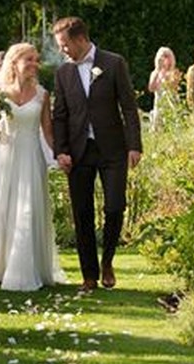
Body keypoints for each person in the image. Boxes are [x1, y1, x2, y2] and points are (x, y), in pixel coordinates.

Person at [0, 43, 68, 291]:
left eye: (36, 60)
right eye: (29, 59)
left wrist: (60, 155)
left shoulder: (42, 94)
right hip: (4, 157)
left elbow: (48, 132)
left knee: (27, 208)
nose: (34, 64)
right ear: (14, 61)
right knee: (1, 208)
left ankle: (27, 268)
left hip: (30, 156)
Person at [51, 16, 142, 292]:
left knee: (115, 206)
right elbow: (60, 116)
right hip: (79, 152)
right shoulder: (63, 73)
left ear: (80, 39)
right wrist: (61, 151)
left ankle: (108, 262)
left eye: (64, 44)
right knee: (82, 214)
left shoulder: (114, 63)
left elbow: (128, 106)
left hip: (112, 148)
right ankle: (89, 275)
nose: (62, 50)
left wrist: (134, 145)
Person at [146, 46, 181, 130]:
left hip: (171, 101)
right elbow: (151, 88)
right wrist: (158, 70)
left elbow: (174, 86)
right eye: (162, 56)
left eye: (167, 56)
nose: (164, 59)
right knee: (157, 127)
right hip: (159, 102)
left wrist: (166, 75)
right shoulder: (154, 73)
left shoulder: (174, 72)